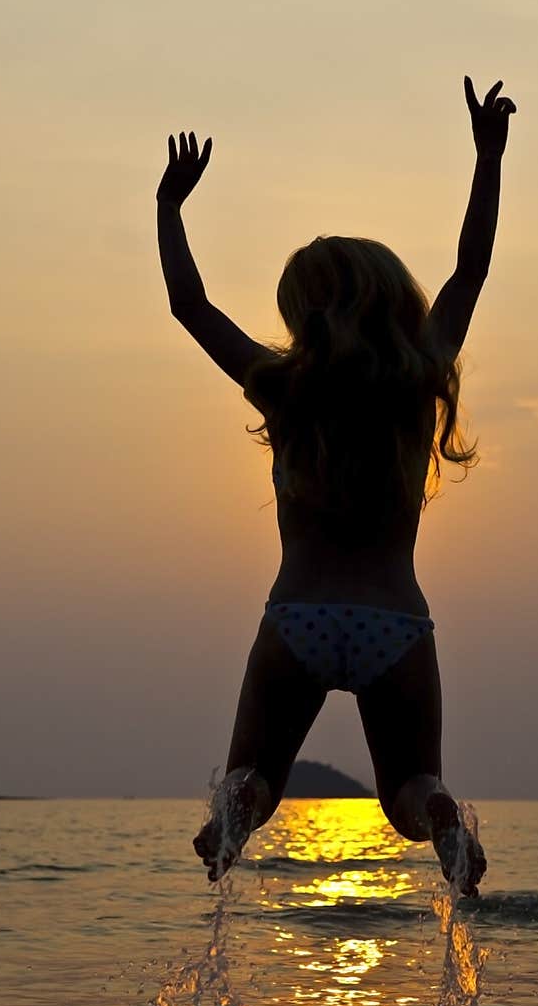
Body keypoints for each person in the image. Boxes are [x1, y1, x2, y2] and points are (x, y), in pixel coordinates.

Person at [156, 76, 516, 895]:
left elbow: (188, 303)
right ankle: (441, 822)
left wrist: (171, 207)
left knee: (258, 774)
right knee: (406, 791)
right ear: (392, 300)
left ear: (304, 311)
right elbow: (469, 273)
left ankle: (234, 817)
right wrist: (487, 159)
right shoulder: (418, 377)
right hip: (396, 620)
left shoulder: (283, 386)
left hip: (299, 618)